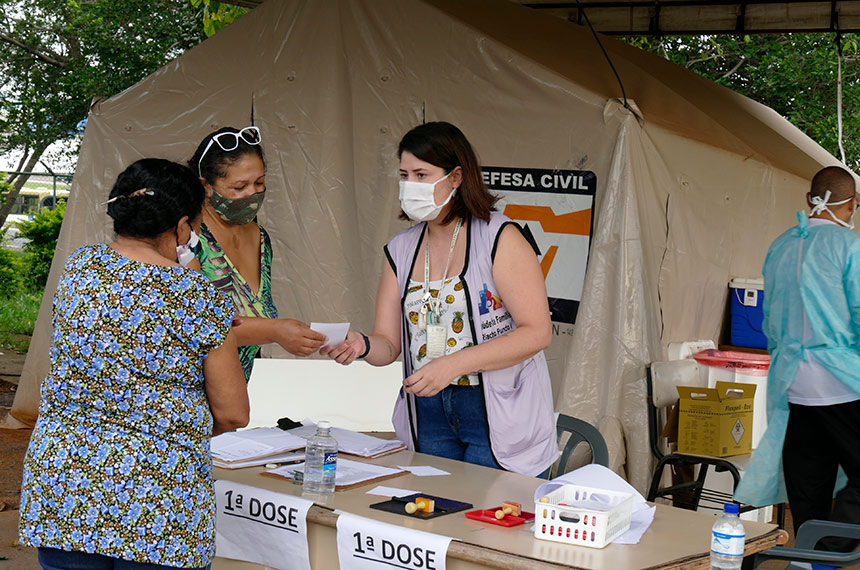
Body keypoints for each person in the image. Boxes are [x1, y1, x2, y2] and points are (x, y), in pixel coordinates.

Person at [18, 158, 249, 569]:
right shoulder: (199, 298)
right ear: (182, 227)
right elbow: (232, 413)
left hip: (64, 489)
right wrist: (170, 425)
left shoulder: (79, 269)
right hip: (158, 505)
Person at [322, 122, 557, 476]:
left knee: (488, 523)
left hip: (495, 407)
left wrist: (453, 365)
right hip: (427, 407)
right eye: (404, 175)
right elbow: (389, 344)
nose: (410, 186)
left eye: (421, 174)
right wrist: (362, 345)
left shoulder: (499, 236)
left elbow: (537, 332)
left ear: (456, 177)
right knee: (433, 517)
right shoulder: (400, 249)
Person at [735, 165, 860, 553]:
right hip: (841, 380)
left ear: (810, 199)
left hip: (791, 383)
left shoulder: (782, 245)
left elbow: (769, 318)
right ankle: (825, 548)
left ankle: (809, 559)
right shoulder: (850, 247)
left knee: (810, 480)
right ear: (853, 205)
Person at [188, 126, 325, 380]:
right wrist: (275, 330)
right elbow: (196, 325)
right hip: (190, 396)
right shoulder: (187, 240)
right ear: (206, 186)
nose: (252, 193)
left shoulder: (260, 238)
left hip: (234, 401)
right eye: (240, 187)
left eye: (259, 182)